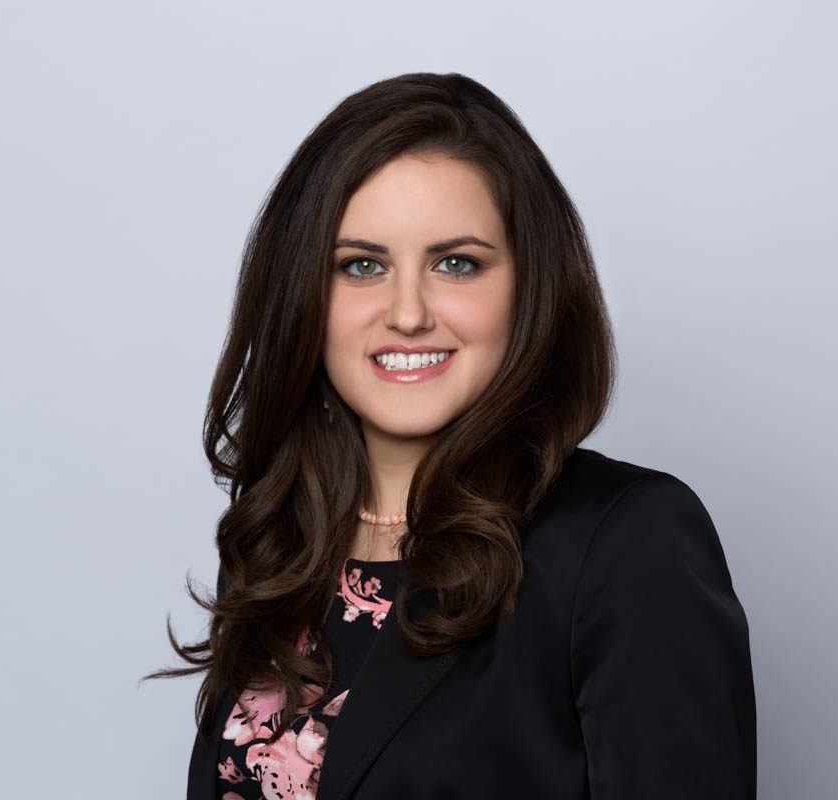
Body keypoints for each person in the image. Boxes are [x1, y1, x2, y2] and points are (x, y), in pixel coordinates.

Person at [144, 71, 757, 799]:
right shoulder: (279, 546)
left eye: (456, 263)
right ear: (302, 294)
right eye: (362, 265)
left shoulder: (626, 546)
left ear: (531, 288)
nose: (407, 313)